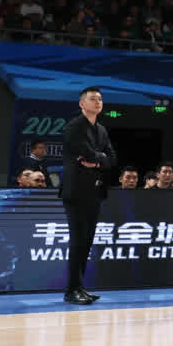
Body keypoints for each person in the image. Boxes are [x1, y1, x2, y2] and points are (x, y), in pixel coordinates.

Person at [59, 86, 116, 304]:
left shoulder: (101, 129)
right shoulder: (74, 127)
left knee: (87, 241)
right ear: (82, 104)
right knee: (78, 240)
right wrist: (98, 157)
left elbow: (111, 158)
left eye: (100, 99)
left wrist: (97, 160)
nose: (98, 102)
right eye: (93, 99)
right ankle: (71, 290)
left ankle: (80, 287)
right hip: (76, 191)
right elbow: (85, 152)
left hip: (95, 190)